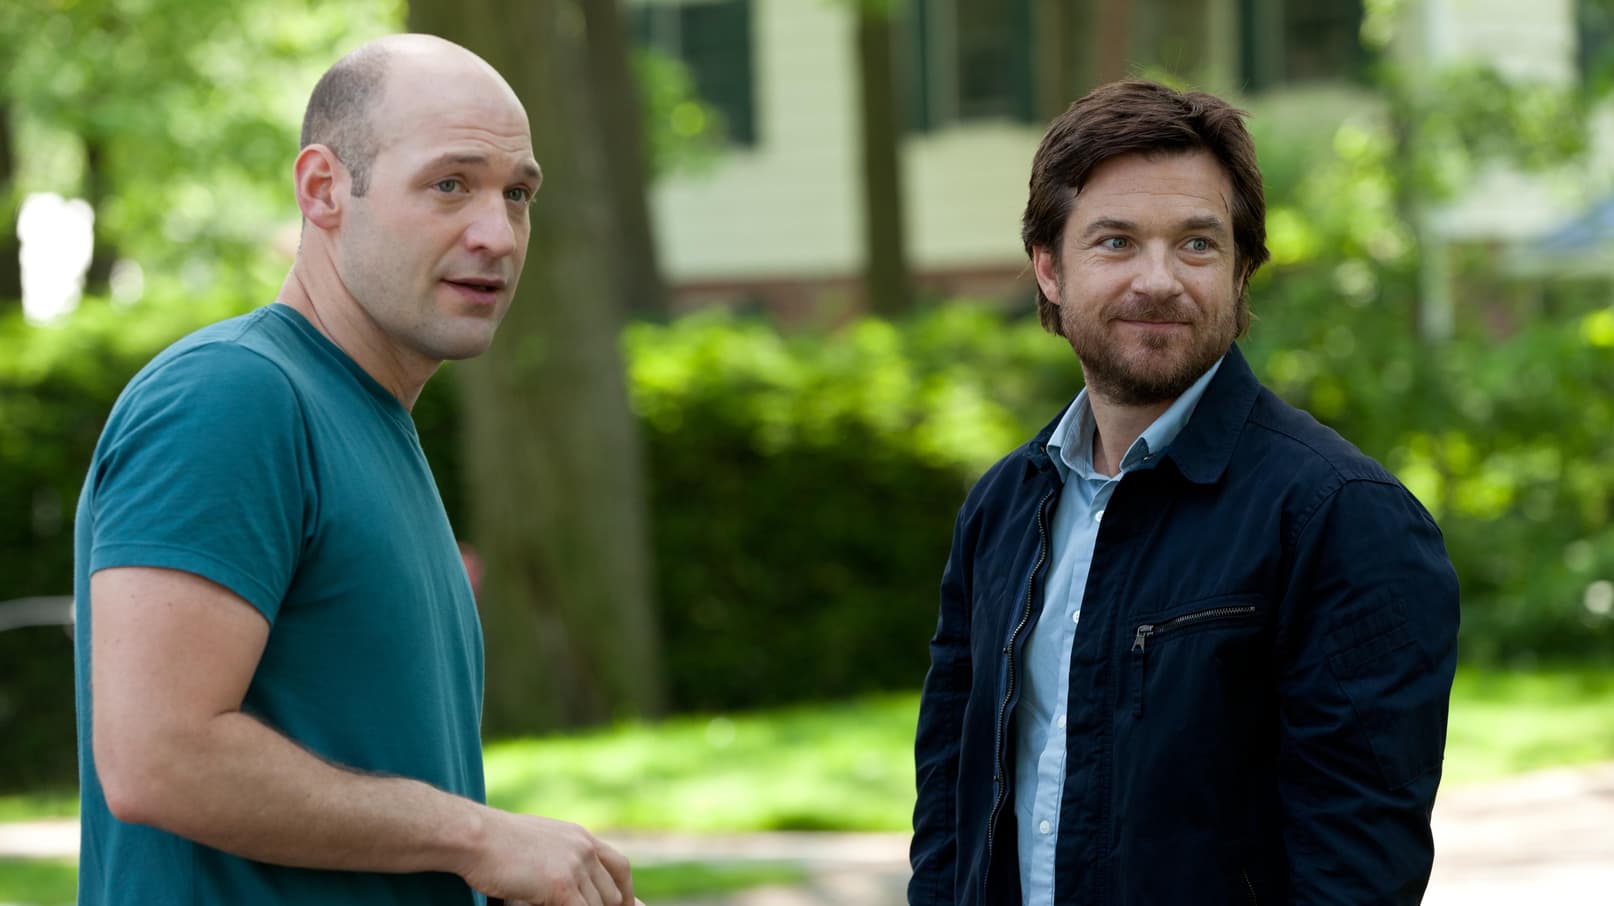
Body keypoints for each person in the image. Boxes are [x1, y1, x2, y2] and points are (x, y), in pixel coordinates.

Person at [72, 34, 639, 906]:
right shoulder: (234, 398)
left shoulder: (365, 419)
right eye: (450, 184)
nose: (497, 234)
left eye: (517, 194)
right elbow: (159, 757)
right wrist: (478, 837)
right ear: (323, 189)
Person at [908, 80, 1460, 905]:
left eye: (1197, 244)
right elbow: (949, 816)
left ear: (1241, 272)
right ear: (1050, 269)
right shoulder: (1002, 508)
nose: (1159, 279)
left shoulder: (1343, 517)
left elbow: (1357, 874)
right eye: (1117, 242)